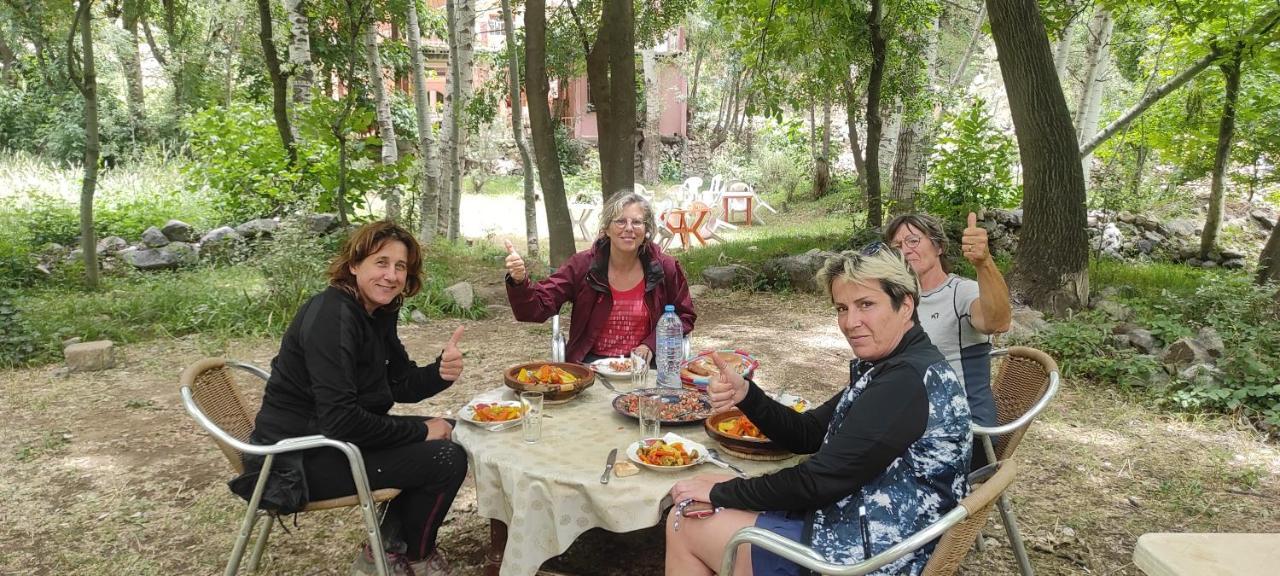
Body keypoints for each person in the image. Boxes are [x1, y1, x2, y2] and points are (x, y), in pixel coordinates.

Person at [664, 246, 971, 576]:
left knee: (684, 520)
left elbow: (817, 482)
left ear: (905, 304)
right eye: (842, 308)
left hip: (870, 556)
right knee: (700, 509)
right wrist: (747, 394)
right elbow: (808, 433)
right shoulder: (896, 366)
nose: (851, 322)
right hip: (861, 524)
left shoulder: (906, 381)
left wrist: (721, 491)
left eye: (866, 304)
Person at [229, 221, 467, 576]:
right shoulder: (332, 315)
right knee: (446, 455)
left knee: (455, 430)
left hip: (333, 439)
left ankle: (386, 550)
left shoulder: (374, 312)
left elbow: (398, 383)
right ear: (354, 265)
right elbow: (340, 420)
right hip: (294, 462)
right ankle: (414, 558)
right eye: (381, 263)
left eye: (400, 266)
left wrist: (439, 373)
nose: (391, 275)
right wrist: (420, 433)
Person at [504, 191, 696, 364]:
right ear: (606, 228)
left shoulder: (664, 267)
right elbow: (535, 309)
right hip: (589, 366)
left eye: (637, 222)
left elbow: (684, 316)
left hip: (647, 367)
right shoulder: (582, 265)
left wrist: (651, 345)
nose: (629, 228)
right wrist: (520, 282)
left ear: (646, 231)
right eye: (620, 221)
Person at [884, 212, 1012, 429]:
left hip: (963, 427)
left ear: (939, 247)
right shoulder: (900, 300)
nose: (905, 250)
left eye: (913, 240)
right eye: (897, 246)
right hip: (910, 418)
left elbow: (998, 322)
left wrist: (984, 263)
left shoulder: (960, 292)